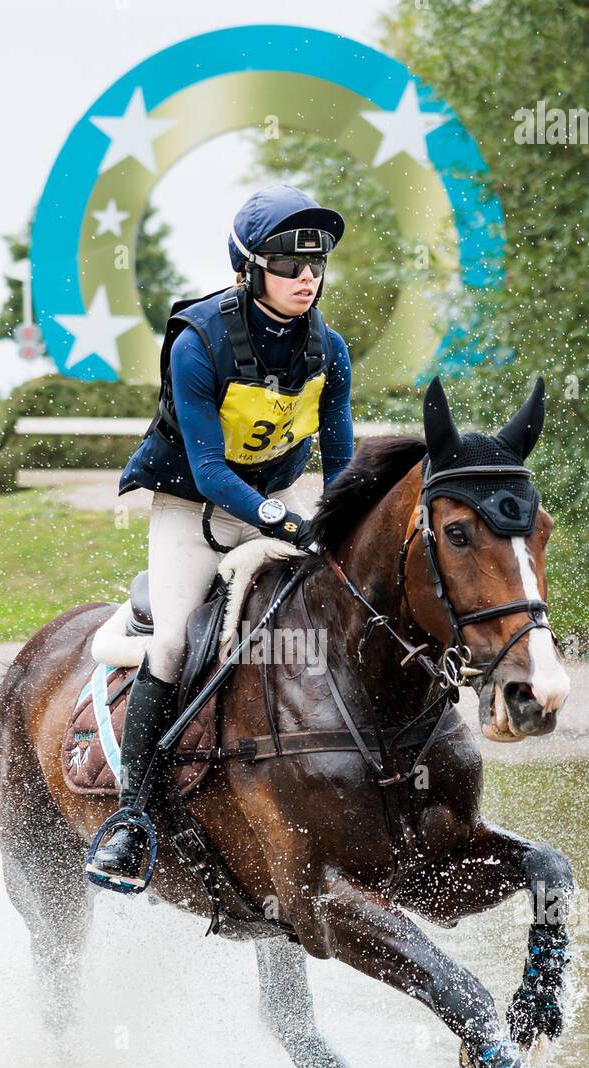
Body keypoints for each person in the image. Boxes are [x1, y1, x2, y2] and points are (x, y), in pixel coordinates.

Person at [87, 184, 355, 889]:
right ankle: (131, 818)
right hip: (193, 504)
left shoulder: (331, 350)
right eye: (289, 265)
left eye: (317, 265)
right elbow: (208, 468)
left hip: (280, 492)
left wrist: (336, 524)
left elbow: (344, 462)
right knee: (173, 642)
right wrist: (281, 522)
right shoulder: (198, 340)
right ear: (248, 269)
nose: (308, 279)